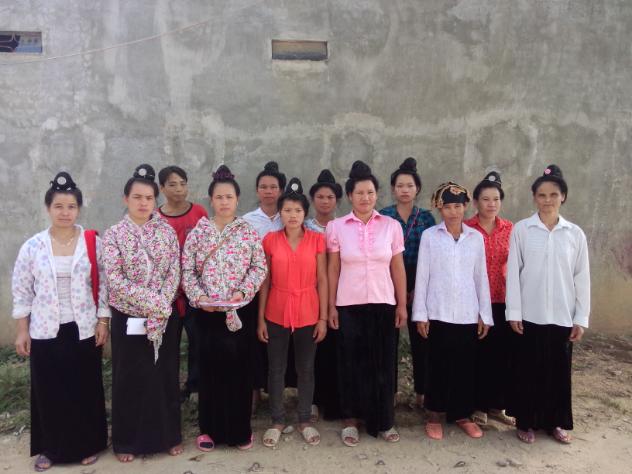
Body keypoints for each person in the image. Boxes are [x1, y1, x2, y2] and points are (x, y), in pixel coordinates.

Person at [12, 172, 109, 472]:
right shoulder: (33, 247)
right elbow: (22, 289)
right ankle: (50, 449)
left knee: (84, 389)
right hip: (45, 329)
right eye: (58, 206)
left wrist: (103, 321)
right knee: (49, 390)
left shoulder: (92, 243)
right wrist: (22, 330)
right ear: (48, 208)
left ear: (78, 209)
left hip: (83, 327)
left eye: (71, 207)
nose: (65, 212)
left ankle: (86, 445)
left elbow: (105, 284)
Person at [182, 164, 267, 451]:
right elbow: (187, 270)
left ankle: (239, 431)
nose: (224, 202)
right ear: (211, 200)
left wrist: (243, 291)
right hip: (207, 314)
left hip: (239, 311)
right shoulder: (199, 232)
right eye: (219, 197)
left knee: (239, 371)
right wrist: (199, 298)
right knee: (210, 371)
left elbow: (259, 267)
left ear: (237, 199)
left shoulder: (247, 232)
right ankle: (209, 430)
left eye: (229, 197)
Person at [505, 164, 590, 445]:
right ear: (534, 197)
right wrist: (514, 312)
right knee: (528, 371)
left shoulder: (574, 234)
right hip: (530, 314)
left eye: (554, 194)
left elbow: (582, 278)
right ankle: (526, 422)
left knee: (558, 373)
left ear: (563, 196)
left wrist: (580, 318)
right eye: (542, 195)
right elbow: (513, 274)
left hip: (562, 315)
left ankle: (555, 422)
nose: (547, 200)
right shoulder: (522, 230)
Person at [103, 164, 182, 462]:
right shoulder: (114, 235)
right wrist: (154, 302)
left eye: (149, 198)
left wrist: (162, 305)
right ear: (126, 199)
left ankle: (168, 437)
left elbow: (174, 271)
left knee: (164, 375)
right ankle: (127, 442)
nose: (143, 203)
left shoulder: (166, 231)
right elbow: (115, 279)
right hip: (128, 316)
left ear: (155, 200)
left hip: (163, 317)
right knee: (130, 377)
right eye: (137, 197)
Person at [326, 160, 407, 447]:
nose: (365, 197)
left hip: (383, 303)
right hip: (349, 305)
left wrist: (401, 304)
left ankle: (383, 421)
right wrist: (331, 306)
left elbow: (397, 267)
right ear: (350, 196)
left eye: (370, 192)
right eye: (359, 193)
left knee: (383, 364)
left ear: (376, 194)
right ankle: (351, 420)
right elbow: (333, 269)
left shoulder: (391, 226)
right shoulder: (336, 227)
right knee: (350, 364)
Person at [412, 181, 493, 440]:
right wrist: (421, 314)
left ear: (465, 207)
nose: (453, 212)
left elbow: (481, 277)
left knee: (464, 367)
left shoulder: (475, 238)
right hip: (438, 312)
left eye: (458, 206)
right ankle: (434, 414)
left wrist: (484, 314)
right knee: (437, 366)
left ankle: (461, 415)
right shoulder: (430, 236)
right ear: (440, 209)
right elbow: (422, 276)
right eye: (447, 207)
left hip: (467, 313)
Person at [257, 178, 328, 448]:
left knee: (306, 369)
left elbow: (323, 279)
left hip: (308, 310)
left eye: (298, 210)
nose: (292, 215)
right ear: (280, 213)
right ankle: (276, 420)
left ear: (304, 213)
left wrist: (323, 318)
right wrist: (261, 318)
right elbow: (265, 281)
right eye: (287, 210)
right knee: (276, 368)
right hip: (276, 310)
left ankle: (304, 419)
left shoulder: (317, 240)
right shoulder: (270, 240)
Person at [380, 157, 436, 408]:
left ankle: (423, 392)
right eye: (400, 185)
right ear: (393, 189)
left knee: (422, 340)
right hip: (387, 282)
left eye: (409, 185)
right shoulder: (384, 216)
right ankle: (389, 392)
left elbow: (433, 256)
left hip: (420, 282)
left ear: (417, 189)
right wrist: (397, 290)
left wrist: (417, 289)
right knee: (388, 342)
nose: (405, 190)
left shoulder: (426, 218)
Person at [464, 171, 515, 426]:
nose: (491, 204)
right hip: (474, 301)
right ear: (476, 202)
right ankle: (478, 405)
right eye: (485, 199)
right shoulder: (467, 229)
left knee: (501, 354)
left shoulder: (511, 229)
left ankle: (497, 405)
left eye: (496, 199)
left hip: (503, 300)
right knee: (478, 354)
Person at [241, 161, 292, 404]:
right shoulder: (246, 221)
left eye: (273, 187)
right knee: (254, 340)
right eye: (264, 187)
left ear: (281, 190)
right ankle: (253, 389)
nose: (269, 191)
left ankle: (278, 390)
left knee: (280, 342)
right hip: (253, 289)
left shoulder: (289, 217)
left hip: (284, 288)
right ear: (257, 190)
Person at [157, 165, 208, 401]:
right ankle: (169, 388)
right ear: (162, 188)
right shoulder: (156, 218)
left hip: (194, 292)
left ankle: (195, 386)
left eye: (182, 183)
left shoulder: (198, 213)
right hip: (168, 294)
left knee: (197, 340)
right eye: (172, 184)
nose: (179, 189)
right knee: (169, 343)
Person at [308, 170, 343, 421]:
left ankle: (334, 399)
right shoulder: (304, 226)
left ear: (337, 200)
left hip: (339, 294)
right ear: (313, 200)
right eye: (320, 196)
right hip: (311, 293)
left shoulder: (341, 226)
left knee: (335, 349)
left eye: (330, 197)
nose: (325, 201)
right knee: (313, 349)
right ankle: (312, 399)